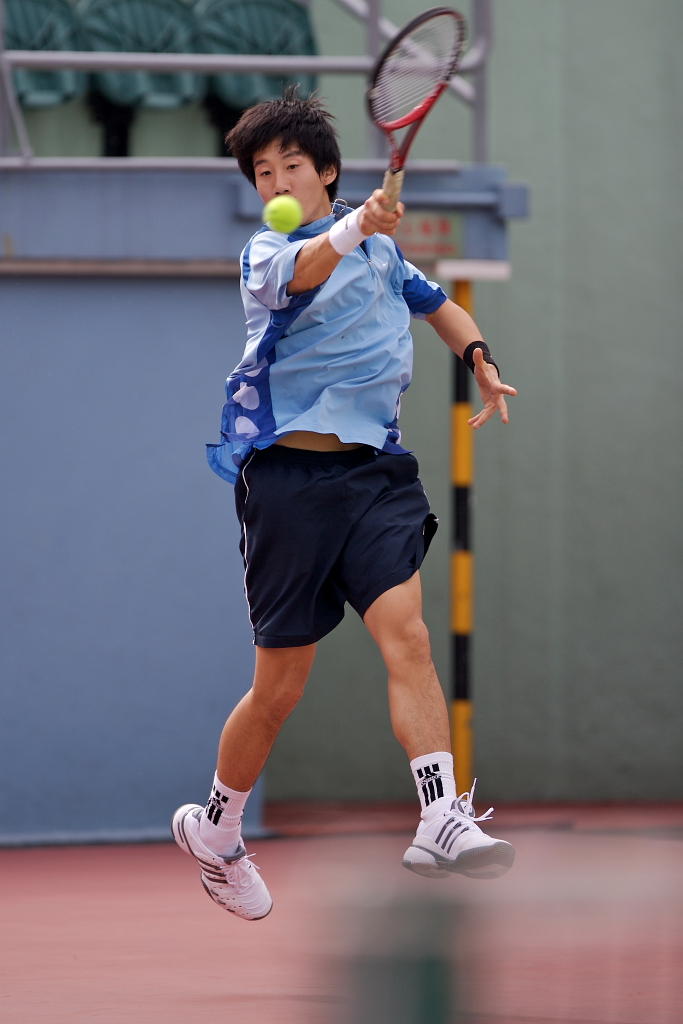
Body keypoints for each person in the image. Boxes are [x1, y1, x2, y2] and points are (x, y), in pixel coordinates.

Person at [172, 90, 518, 920]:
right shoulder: (266, 253)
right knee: (280, 687)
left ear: (325, 170)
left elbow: (440, 307)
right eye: (262, 172)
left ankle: (439, 816)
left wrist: (478, 355)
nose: (276, 181)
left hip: (374, 477)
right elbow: (309, 269)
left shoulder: (384, 255)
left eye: (290, 165)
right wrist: (358, 222)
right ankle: (217, 828)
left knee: (409, 638)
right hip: (287, 484)